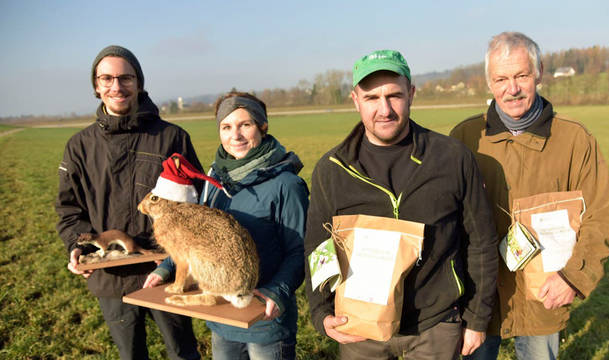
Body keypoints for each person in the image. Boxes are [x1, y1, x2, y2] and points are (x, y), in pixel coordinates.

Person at [303, 49, 500, 359]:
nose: (385, 109)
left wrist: (476, 319)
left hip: (436, 324)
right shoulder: (332, 169)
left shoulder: (452, 158)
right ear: (355, 100)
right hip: (359, 326)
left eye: (394, 95)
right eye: (371, 98)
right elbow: (318, 247)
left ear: (411, 94)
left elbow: (481, 242)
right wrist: (320, 311)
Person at [450, 32, 609, 360]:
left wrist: (573, 277)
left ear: (539, 72)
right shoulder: (465, 138)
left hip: (544, 294)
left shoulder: (575, 140)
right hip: (481, 300)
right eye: (501, 78)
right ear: (488, 82)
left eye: (522, 76)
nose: (512, 89)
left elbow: (600, 216)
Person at [55, 45, 201, 359]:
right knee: (131, 355)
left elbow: (195, 205)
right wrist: (77, 246)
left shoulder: (172, 137)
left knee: (183, 353)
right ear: (96, 86)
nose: (116, 87)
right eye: (106, 79)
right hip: (111, 278)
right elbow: (69, 211)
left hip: (165, 269)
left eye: (125, 78)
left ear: (139, 82)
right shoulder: (80, 147)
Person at [144, 91, 309, 360]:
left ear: (263, 127)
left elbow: (301, 251)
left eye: (246, 125)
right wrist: (166, 268)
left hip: (264, 319)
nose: (236, 135)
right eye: (227, 127)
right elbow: (194, 235)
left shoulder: (286, 185)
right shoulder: (215, 179)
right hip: (221, 316)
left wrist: (276, 292)